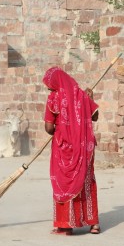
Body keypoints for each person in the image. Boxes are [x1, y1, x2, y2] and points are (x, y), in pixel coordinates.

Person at [43, 67, 100, 235]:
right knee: (87, 181)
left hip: (63, 148)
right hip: (84, 147)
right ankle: (94, 224)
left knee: (63, 183)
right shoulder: (82, 95)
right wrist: (90, 98)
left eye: (50, 86)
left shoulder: (54, 98)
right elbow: (94, 116)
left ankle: (65, 225)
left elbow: (48, 127)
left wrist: (59, 131)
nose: (49, 89)